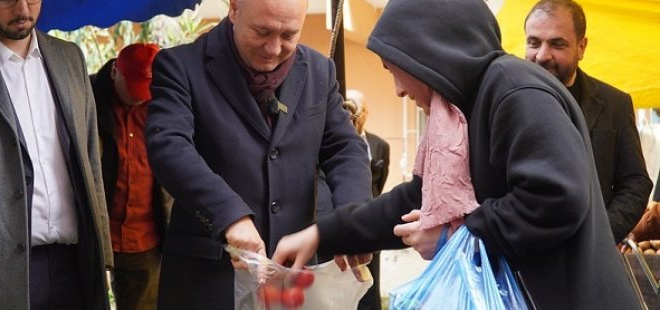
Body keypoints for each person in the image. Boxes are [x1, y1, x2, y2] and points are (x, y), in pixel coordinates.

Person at [271, 0, 643, 308]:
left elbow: (557, 196)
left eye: (395, 70)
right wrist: (324, 234)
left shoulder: (514, 90)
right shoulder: (462, 113)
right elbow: (418, 198)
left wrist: (461, 235)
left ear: (427, 55)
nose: (398, 90)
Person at [144, 0, 372, 308]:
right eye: (262, 31)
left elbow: (345, 148)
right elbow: (169, 146)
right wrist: (229, 216)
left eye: (289, 35)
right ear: (235, 9)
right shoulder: (179, 66)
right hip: (207, 281)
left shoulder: (320, 71)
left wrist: (353, 218)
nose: (274, 48)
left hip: (294, 279)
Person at [0, 0, 112, 309]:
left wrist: (104, 253)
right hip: (2, 269)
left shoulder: (68, 58)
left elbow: (90, 158)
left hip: (75, 263)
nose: (22, 9)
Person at [524, 0, 652, 243]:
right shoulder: (504, 102)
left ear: (581, 47)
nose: (542, 55)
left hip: (589, 261)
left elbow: (635, 182)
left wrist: (599, 235)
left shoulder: (614, 104)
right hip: (520, 262)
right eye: (533, 42)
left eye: (557, 44)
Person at [92, 43, 172, 310]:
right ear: (115, 71)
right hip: (97, 234)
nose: (140, 97)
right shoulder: (88, 99)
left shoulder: (164, 104)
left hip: (145, 236)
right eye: (134, 86)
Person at [344, 89, 389, 310]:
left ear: (366, 113)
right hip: (345, 218)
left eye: (358, 109)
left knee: (371, 278)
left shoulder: (380, 145)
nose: (355, 115)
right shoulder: (336, 144)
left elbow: (379, 184)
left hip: (371, 219)